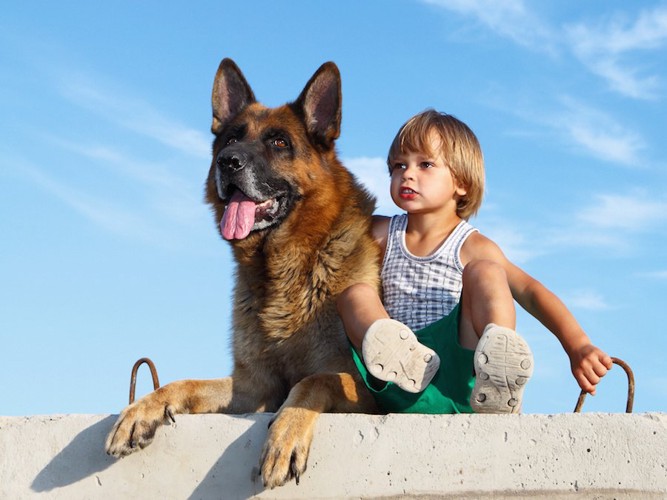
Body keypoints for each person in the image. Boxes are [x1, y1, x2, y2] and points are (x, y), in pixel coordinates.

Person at [337, 109, 613, 414]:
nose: (408, 173)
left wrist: (577, 345)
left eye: (425, 164)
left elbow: (531, 292)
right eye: (399, 165)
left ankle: (499, 370)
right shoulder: (380, 232)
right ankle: (402, 358)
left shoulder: (472, 245)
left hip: (458, 377)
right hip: (395, 380)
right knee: (354, 293)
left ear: (462, 183)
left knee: (485, 272)